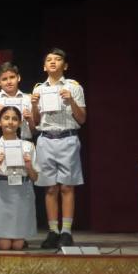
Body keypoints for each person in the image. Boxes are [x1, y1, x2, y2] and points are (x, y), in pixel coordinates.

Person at [31, 48, 86, 248]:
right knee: (50, 187)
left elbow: (82, 119)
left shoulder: (73, 87)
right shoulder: (38, 89)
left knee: (67, 186)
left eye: (58, 59)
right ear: (44, 66)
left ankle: (66, 231)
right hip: (46, 139)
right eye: (49, 60)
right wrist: (34, 105)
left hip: (67, 138)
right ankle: (53, 231)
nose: (53, 62)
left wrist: (70, 100)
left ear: (65, 65)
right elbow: (36, 122)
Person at [0, 106, 39, 250]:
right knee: (5, 245)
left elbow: (35, 178)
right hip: (1, 194)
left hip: (22, 194)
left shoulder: (28, 146)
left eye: (14, 119)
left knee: (17, 246)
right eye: (6, 118)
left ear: (20, 123)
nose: (10, 122)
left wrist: (29, 166)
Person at [0, 62, 35, 141]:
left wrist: (30, 119)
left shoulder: (28, 99)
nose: (9, 82)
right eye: (4, 79)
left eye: (12, 77)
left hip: (23, 142)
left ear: (18, 77)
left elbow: (34, 132)